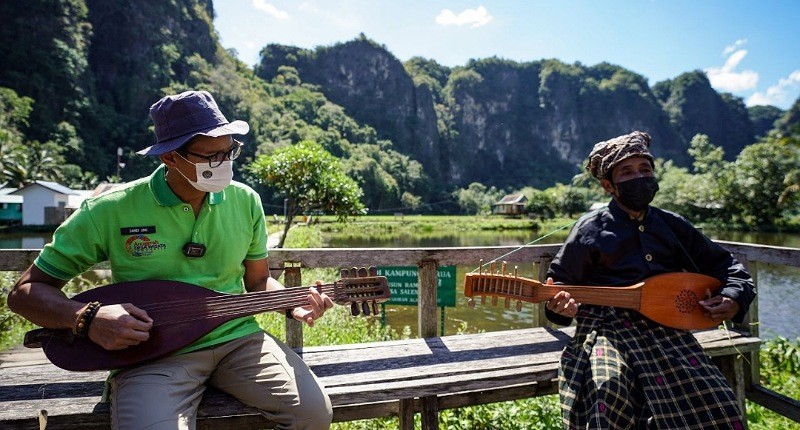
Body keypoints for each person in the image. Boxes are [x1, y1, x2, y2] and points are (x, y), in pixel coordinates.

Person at [8, 90, 334, 430]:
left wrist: (290, 303)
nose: (223, 164)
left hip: (237, 340)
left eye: (229, 152)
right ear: (170, 158)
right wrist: (88, 317)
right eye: (210, 156)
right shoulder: (109, 210)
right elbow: (24, 292)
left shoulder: (245, 201)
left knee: (312, 415)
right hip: (153, 353)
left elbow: (256, 281)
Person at [544, 131, 755, 430]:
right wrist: (559, 309)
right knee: (608, 392)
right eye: (627, 172)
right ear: (609, 185)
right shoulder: (589, 229)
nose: (639, 177)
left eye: (645, 169)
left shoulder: (672, 225)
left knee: (716, 400)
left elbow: (726, 266)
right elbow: (559, 288)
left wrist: (733, 296)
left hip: (666, 328)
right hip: (606, 328)